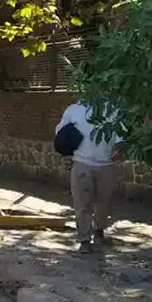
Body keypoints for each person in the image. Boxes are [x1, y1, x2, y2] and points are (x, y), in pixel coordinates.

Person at [55, 101, 122, 254]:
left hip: (105, 164)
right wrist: (67, 146)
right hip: (81, 163)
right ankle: (84, 239)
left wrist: (120, 150)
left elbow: (120, 136)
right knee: (82, 202)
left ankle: (99, 232)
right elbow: (60, 131)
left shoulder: (113, 110)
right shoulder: (74, 109)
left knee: (104, 202)